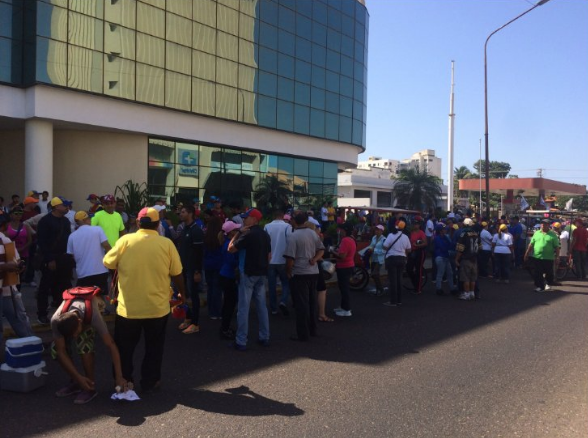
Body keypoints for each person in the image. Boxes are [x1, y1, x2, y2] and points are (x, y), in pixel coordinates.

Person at [103, 207, 186, 392]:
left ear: (138, 222)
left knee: (125, 349)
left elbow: (108, 262)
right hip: (157, 308)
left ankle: (124, 380)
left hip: (128, 309)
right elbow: (177, 273)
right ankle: (150, 381)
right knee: (154, 347)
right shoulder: (167, 244)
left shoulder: (125, 240)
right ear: (158, 225)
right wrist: (183, 294)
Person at [51, 289, 127, 404]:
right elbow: (61, 351)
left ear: (80, 321)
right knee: (55, 349)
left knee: (84, 343)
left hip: (93, 306)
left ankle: (90, 386)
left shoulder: (94, 317)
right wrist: (78, 377)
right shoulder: (55, 320)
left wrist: (119, 377)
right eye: (72, 335)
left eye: (76, 332)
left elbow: (111, 345)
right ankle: (76, 382)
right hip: (74, 316)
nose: (75, 336)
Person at [228, 208, 271, 350]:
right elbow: (269, 256)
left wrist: (239, 233)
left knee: (243, 308)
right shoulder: (265, 235)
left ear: (253, 219)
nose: (244, 220)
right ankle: (264, 336)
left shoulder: (247, 234)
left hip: (248, 273)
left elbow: (231, 248)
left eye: (246, 217)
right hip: (261, 273)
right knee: (261, 306)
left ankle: (241, 341)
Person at [284, 213, 325, 342]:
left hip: (300, 272)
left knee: (302, 305)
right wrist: (315, 259)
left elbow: (290, 259)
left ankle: (303, 334)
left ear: (295, 221)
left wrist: (288, 272)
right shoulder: (312, 233)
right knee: (312, 302)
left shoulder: (293, 236)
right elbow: (321, 249)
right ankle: (313, 329)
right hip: (313, 272)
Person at [36, 197, 73, 324]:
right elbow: (42, 241)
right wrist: (49, 259)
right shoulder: (45, 221)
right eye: (65, 205)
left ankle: (62, 313)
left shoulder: (66, 221)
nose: (67, 207)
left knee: (63, 286)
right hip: (50, 258)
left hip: (64, 258)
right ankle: (42, 314)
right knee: (45, 287)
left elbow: (68, 240)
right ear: (56, 206)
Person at [0, 213, 33, 342]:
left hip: (7, 288)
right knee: (17, 318)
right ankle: (30, 343)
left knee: (16, 317)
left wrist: (18, 266)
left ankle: (30, 343)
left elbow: (17, 262)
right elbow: (16, 262)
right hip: (7, 288)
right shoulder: (5, 240)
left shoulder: (6, 241)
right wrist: (10, 266)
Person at [67, 211, 111, 296]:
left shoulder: (72, 236)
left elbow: (71, 255)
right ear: (84, 220)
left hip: (83, 273)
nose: (90, 220)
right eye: (89, 218)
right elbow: (106, 245)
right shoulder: (97, 229)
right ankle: (100, 309)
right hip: (100, 270)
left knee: (84, 298)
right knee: (100, 297)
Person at [176, 205, 204, 334]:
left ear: (191, 213)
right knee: (184, 294)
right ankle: (188, 318)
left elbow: (199, 252)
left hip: (192, 269)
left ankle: (195, 323)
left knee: (194, 296)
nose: (180, 214)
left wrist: (198, 271)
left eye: (183, 212)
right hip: (183, 268)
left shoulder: (196, 230)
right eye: (180, 212)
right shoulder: (184, 229)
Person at [264, 210, 292, 316]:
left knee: (271, 286)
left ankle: (273, 308)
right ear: (282, 216)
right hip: (283, 260)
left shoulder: (267, 226)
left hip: (270, 260)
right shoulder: (287, 227)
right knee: (286, 283)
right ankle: (283, 301)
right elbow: (290, 242)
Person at [524, 218, 560, 292]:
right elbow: (531, 244)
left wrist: (557, 257)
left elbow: (557, 247)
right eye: (542, 224)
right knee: (538, 272)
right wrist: (527, 253)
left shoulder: (553, 234)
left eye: (545, 224)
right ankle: (540, 286)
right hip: (537, 256)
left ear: (548, 225)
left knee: (549, 273)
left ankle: (548, 283)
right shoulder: (537, 233)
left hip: (548, 257)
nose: (543, 225)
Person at [219, 220, 241, 339]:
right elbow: (231, 261)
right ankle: (225, 328)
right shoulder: (229, 245)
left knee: (228, 302)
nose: (238, 231)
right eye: (236, 229)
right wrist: (241, 262)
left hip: (225, 274)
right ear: (231, 232)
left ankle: (225, 326)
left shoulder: (226, 242)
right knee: (229, 304)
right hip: (229, 276)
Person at [382, 220, 411, 306]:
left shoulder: (391, 235)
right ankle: (399, 300)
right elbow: (409, 249)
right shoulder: (405, 237)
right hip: (402, 259)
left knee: (393, 281)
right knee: (399, 280)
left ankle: (393, 301)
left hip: (392, 259)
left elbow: (385, 246)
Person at [331, 222, 356, 317]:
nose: (339, 231)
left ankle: (347, 309)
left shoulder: (345, 240)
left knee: (344, 289)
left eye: (341, 229)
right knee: (343, 288)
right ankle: (343, 306)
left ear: (344, 230)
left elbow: (342, 256)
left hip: (344, 267)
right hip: (348, 266)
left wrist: (332, 251)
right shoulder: (351, 239)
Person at [6, 206, 33, 285]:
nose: (18, 215)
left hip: (23, 254)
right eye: (16, 213)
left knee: (20, 275)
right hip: (10, 254)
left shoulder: (25, 226)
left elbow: (30, 240)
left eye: (20, 214)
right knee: (10, 274)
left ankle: (18, 293)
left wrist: (22, 248)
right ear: (11, 215)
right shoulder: (7, 226)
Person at [203, 216, 224, 320]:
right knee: (218, 289)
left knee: (210, 288)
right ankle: (218, 311)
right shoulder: (221, 236)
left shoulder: (206, 236)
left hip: (208, 264)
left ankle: (211, 311)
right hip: (219, 265)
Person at [455, 218, 480, 301]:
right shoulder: (476, 233)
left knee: (466, 277)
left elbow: (460, 248)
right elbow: (480, 246)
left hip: (466, 258)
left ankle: (466, 293)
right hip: (474, 258)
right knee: (473, 278)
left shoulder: (463, 234)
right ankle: (472, 293)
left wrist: (456, 259)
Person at [433, 223, 457, 295]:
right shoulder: (437, 238)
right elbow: (444, 247)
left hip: (445, 257)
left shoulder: (445, 236)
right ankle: (438, 289)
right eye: (443, 229)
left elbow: (451, 244)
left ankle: (452, 288)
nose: (445, 230)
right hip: (440, 257)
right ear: (440, 231)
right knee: (440, 273)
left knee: (450, 273)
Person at [407, 217, 427, 294]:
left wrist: (417, 245)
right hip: (412, 252)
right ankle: (415, 283)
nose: (415, 225)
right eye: (414, 224)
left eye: (417, 224)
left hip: (419, 252)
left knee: (418, 269)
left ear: (419, 225)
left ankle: (418, 288)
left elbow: (425, 243)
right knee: (409, 269)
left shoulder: (421, 233)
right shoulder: (411, 233)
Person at [366, 224, 386, 296]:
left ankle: (381, 289)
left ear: (381, 231)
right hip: (373, 259)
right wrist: (369, 249)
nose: (376, 231)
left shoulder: (384, 239)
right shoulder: (374, 237)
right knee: (374, 275)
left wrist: (374, 250)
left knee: (375, 274)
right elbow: (371, 245)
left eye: (378, 230)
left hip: (379, 259)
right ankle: (378, 289)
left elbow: (384, 251)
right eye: (376, 229)